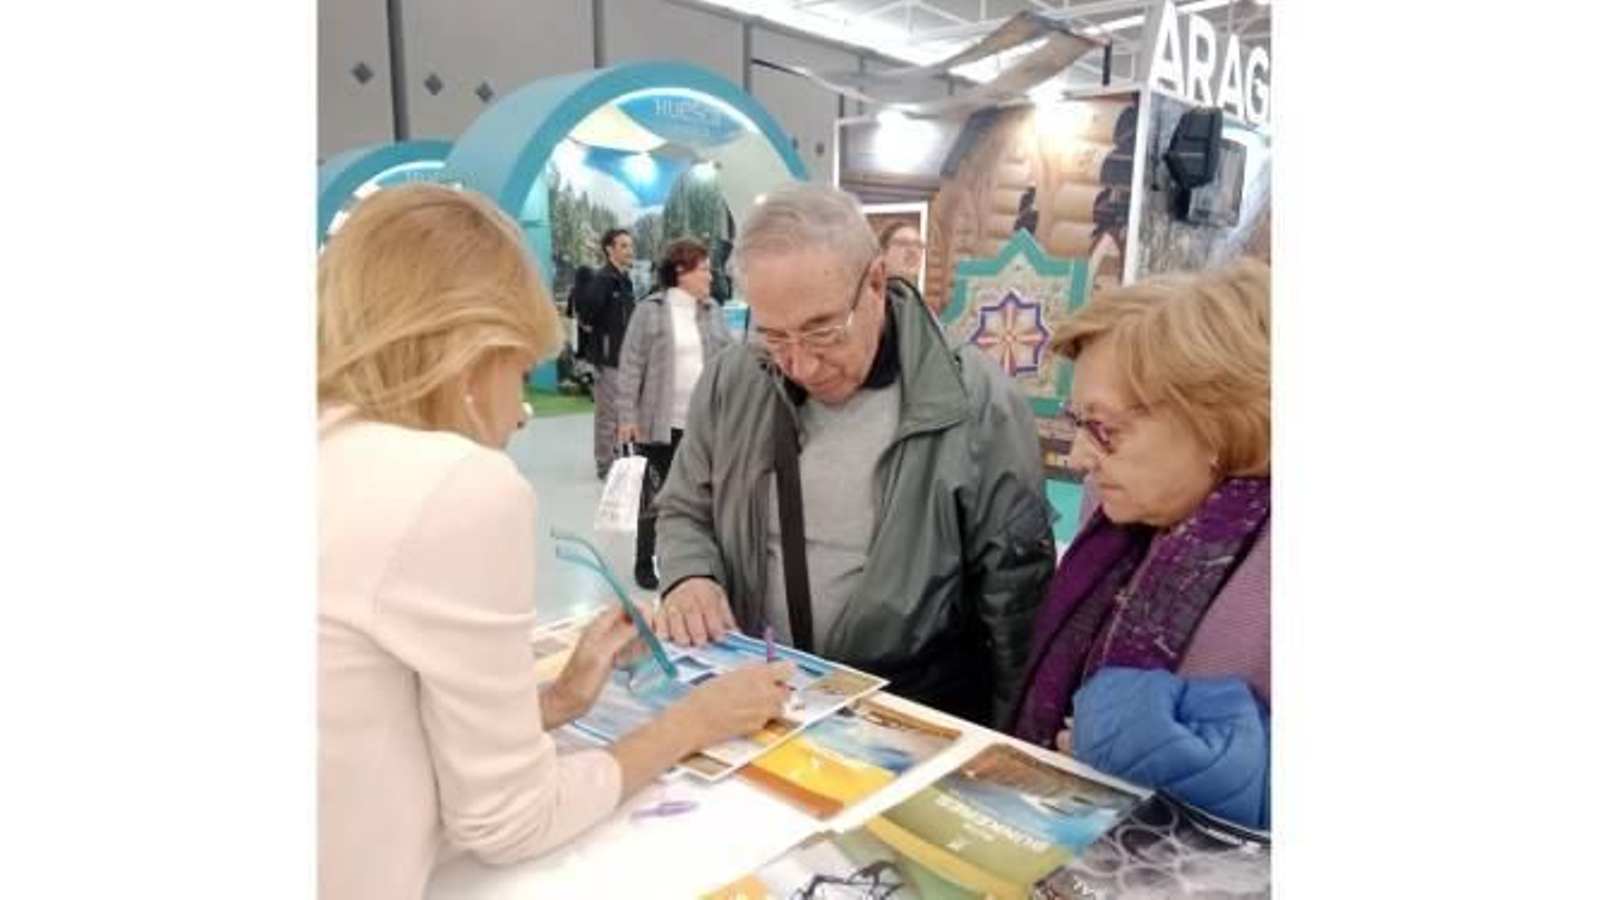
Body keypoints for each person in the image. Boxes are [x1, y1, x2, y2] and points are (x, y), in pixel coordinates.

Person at [318, 184, 794, 900]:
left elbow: (364, 717)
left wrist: (554, 701)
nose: (522, 416)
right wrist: (693, 722)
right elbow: (510, 820)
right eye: (516, 371)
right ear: (470, 356)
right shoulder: (451, 483)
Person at [651, 183, 1056, 726]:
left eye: (822, 331)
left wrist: (1015, 740)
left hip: (907, 711)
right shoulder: (733, 377)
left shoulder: (975, 402)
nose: (802, 365)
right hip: (760, 695)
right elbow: (683, 507)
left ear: (875, 282)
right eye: (775, 336)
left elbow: (1015, 601)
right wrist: (688, 575)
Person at [1009, 258, 1271, 830]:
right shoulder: (1114, 514)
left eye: (1105, 430)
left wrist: (1142, 746)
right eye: (1078, 422)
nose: (1079, 457)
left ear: (1216, 422)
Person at [615, 238, 733, 591]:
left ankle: (698, 565)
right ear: (681, 272)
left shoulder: (712, 310)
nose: (710, 276)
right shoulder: (648, 310)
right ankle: (643, 561)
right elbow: (631, 365)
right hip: (658, 425)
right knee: (654, 498)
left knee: (705, 499)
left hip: (705, 425)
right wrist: (626, 417)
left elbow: (729, 357)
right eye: (705, 269)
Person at [580, 228, 637, 479]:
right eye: (623, 245)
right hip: (608, 359)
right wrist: (601, 341)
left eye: (630, 245)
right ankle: (605, 463)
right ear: (610, 250)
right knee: (607, 414)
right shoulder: (603, 280)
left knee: (624, 411)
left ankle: (618, 456)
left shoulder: (625, 280)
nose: (629, 250)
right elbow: (586, 316)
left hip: (626, 358)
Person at [877, 221, 937, 315]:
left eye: (918, 245)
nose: (913, 250)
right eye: (903, 243)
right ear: (883, 253)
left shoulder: (918, 305)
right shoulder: (875, 300)